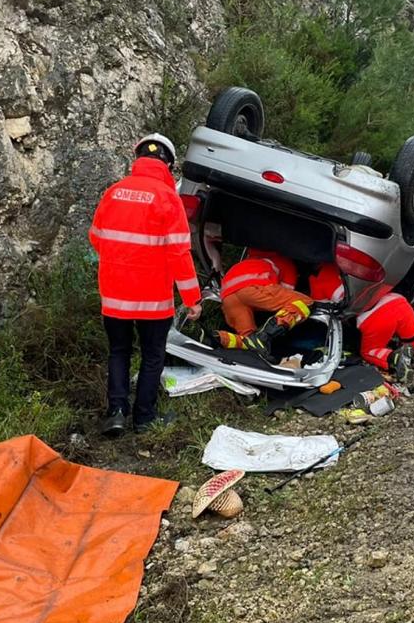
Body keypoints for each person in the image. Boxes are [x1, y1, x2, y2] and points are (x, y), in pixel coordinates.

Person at [90, 133, 202, 436]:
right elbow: (179, 253)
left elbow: (97, 238)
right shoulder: (168, 200)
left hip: (114, 297)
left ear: (136, 158)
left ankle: (115, 413)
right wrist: (192, 299)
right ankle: (144, 418)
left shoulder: (113, 193)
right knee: (152, 356)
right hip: (154, 301)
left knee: (119, 351)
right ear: (168, 164)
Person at [215, 248, 312, 359]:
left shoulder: (248, 260)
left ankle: (218, 338)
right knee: (304, 302)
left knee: (248, 341)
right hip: (254, 288)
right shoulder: (287, 263)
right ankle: (266, 334)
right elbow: (286, 295)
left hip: (227, 295)